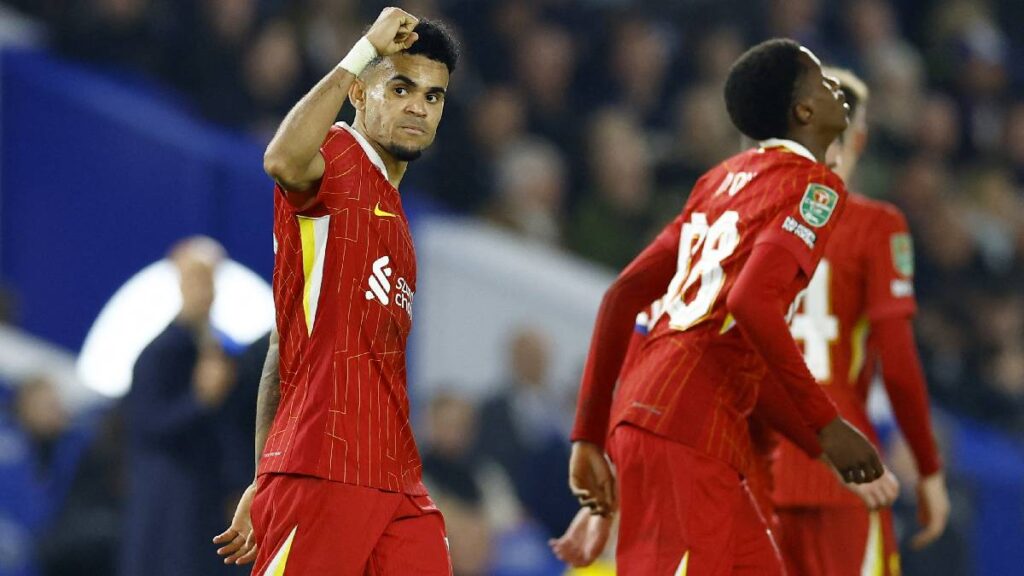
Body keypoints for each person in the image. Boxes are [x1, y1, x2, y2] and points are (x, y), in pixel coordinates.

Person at [568, 39, 883, 575]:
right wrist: (828, 425)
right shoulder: (815, 185)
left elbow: (623, 297)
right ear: (803, 110)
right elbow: (753, 302)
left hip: (669, 416)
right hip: (689, 428)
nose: (836, 89)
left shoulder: (717, 181)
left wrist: (588, 435)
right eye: (823, 83)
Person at [212, 8, 460, 575]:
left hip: (395, 477)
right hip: (326, 462)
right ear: (359, 92)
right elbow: (280, 158)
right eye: (400, 87)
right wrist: (363, 49)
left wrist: (264, 471)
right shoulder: (341, 156)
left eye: (433, 95)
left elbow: (283, 350)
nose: (418, 106)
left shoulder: (394, 216)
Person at [768, 68, 950, 576]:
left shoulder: (744, 217)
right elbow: (897, 364)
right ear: (858, 137)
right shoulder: (877, 226)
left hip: (757, 462)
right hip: (845, 467)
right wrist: (929, 469)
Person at [121, 236, 238, 576]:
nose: (207, 290)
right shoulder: (159, 354)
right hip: (169, 506)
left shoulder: (218, 350)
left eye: (211, 280)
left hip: (206, 503)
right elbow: (147, 425)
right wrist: (200, 401)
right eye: (198, 279)